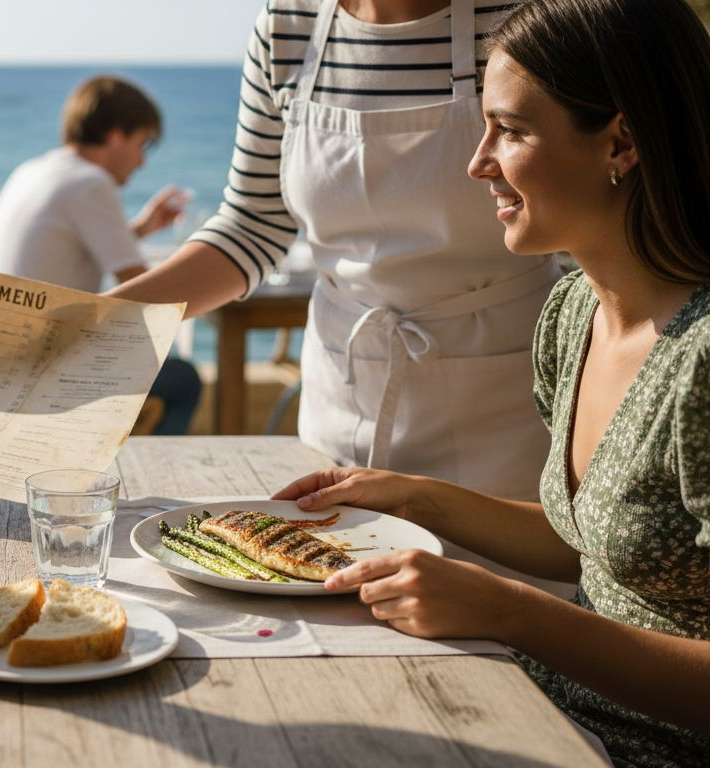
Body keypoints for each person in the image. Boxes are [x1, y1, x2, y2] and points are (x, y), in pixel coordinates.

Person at [273, 0, 710, 763]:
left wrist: (512, 613)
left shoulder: (700, 360)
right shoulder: (572, 313)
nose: (477, 163)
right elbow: (595, 543)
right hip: (546, 718)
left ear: (621, 141)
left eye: (509, 131)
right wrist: (411, 496)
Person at [107, 0, 560, 499]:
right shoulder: (286, 27)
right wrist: (97, 322)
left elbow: (584, 208)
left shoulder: (524, 15)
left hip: (504, 406)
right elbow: (252, 225)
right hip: (339, 405)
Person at [0, 75, 202, 435]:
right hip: (45, 375)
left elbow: (69, 245)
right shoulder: (91, 183)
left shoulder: (33, 170)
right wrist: (210, 271)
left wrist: (141, 228)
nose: (142, 161)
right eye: (143, 143)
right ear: (115, 135)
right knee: (183, 378)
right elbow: (144, 292)